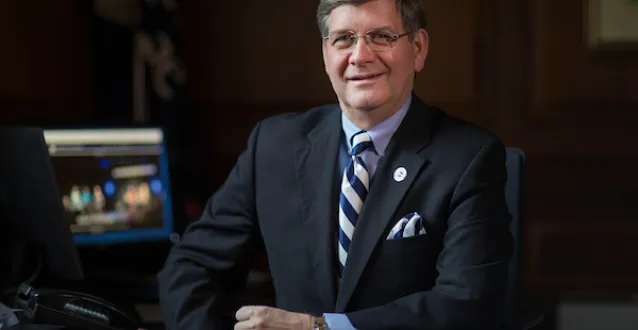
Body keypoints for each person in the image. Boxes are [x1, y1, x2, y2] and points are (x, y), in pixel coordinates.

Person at [157, 0, 514, 329]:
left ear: (418, 49)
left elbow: (466, 303)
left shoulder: (469, 157)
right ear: (326, 53)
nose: (360, 55)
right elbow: (191, 267)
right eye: (344, 39)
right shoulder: (273, 145)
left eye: (381, 36)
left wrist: (319, 328)